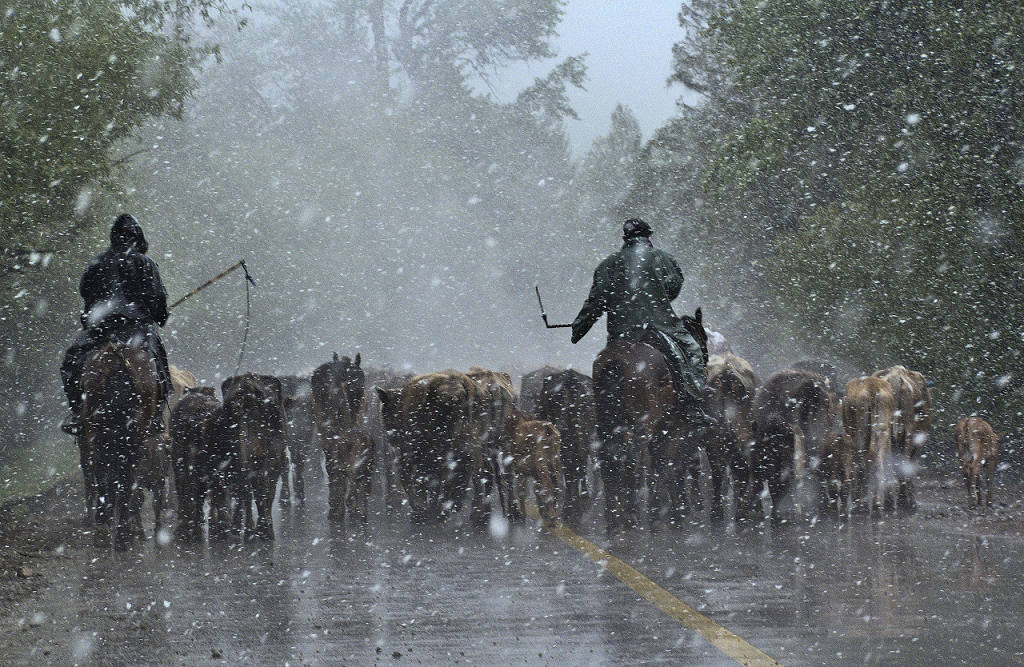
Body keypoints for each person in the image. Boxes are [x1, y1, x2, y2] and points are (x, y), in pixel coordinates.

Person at [571, 218, 708, 412]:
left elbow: (595, 302)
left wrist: (579, 327)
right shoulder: (664, 259)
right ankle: (693, 408)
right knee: (692, 350)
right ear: (648, 236)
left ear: (624, 238)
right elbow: (673, 288)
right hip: (660, 326)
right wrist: (656, 296)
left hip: (621, 334)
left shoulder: (608, 264)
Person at [60, 214, 171, 434]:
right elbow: (158, 302)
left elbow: (86, 294)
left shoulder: (97, 263)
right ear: (137, 238)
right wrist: (159, 315)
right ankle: (156, 416)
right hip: (137, 330)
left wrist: (93, 318)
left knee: (71, 363)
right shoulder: (147, 263)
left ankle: (76, 413)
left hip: (101, 331)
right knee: (159, 368)